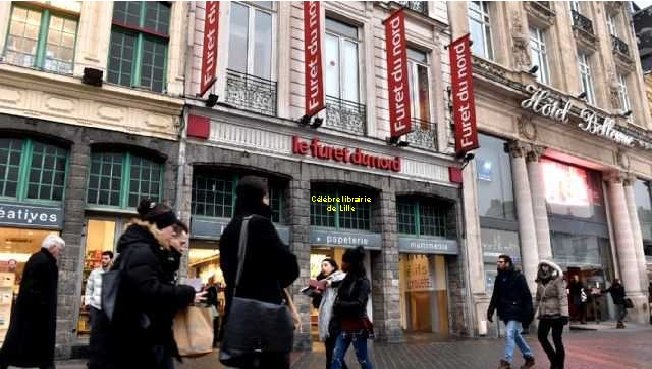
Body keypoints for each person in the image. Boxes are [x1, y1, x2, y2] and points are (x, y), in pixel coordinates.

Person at [108, 199, 205, 369]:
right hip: (140, 340)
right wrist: (186, 293)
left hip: (148, 337)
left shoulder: (145, 249)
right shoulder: (140, 251)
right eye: (171, 229)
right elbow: (147, 291)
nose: (172, 233)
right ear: (159, 227)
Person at [220, 176, 299, 369]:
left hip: (239, 315)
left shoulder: (231, 227)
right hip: (264, 315)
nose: (269, 201)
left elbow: (228, 271)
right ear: (259, 197)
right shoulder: (260, 224)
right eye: (266, 196)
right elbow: (289, 267)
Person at [0, 235, 65, 369]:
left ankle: (45, 364)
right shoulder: (43, 261)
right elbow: (32, 288)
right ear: (53, 247)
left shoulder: (41, 259)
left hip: (35, 312)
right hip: (37, 313)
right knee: (22, 342)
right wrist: (43, 305)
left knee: (21, 341)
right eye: (60, 249)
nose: (60, 252)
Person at [487, 254, 535, 369]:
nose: (498, 264)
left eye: (501, 262)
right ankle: (529, 357)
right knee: (515, 335)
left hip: (516, 311)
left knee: (509, 334)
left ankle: (506, 362)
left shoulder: (518, 277)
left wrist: (529, 313)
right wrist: (490, 310)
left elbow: (527, 296)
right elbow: (495, 295)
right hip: (505, 311)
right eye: (498, 262)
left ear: (507, 263)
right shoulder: (499, 278)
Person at [330, 246, 374, 369]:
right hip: (343, 325)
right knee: (336, 358)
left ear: (351, 264)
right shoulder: (345, 280)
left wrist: (340, 305)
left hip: (357, 326)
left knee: (363, 360)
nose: (342, 264)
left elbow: (359, 304)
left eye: (344, 261)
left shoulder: (363, 282)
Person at [313, 258, 348, 369]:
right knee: (332, 353)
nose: (323, 267)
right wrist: (316, 293)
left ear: (333, 267)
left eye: (326, 265)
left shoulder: (340, 277)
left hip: (336, 319)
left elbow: (345, 288)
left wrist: (330, 283)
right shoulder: (320, 281)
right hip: (326, 322)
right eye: (322, 265)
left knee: (332, 354)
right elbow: (317, 305)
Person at [534, 260, 568, 369]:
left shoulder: (558, 280)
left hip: (557, 314)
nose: (544, 268)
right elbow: (538, 299)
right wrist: (531, 314)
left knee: (556, 339)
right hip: (544, 314)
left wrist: (564, 315)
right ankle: (553, 360)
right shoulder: (539, 282)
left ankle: (560, 366)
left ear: (551, 267)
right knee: (541, 336)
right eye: (542, 266)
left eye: (546, 266)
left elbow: (562, 297)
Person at [85, 250, 114, 369]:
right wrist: (88, 302)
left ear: (111, 259)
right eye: (102, 258)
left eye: (106, 258)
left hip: (108, 308)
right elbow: (89, 288)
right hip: (96, 307)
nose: (103, 260)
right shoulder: (95, 272)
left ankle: (105, 359)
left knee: (107, 334)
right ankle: (93, 359)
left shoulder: (114, 273)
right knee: (94, 334)